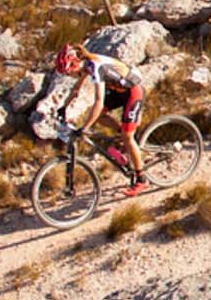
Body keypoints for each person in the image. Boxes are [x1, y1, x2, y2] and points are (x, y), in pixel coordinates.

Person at [52, 43, 148, 195]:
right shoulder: (86, 66)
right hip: (119, 91)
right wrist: (64, 107)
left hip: (133, 91)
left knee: (127, 135)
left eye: (68, 72)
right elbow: (76, 90)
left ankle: (142, 179)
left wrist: (85, 128)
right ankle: (122, 139)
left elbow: (99, 101)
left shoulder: (96, 67)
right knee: (100, 117)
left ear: (75, 63)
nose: (69, 76)